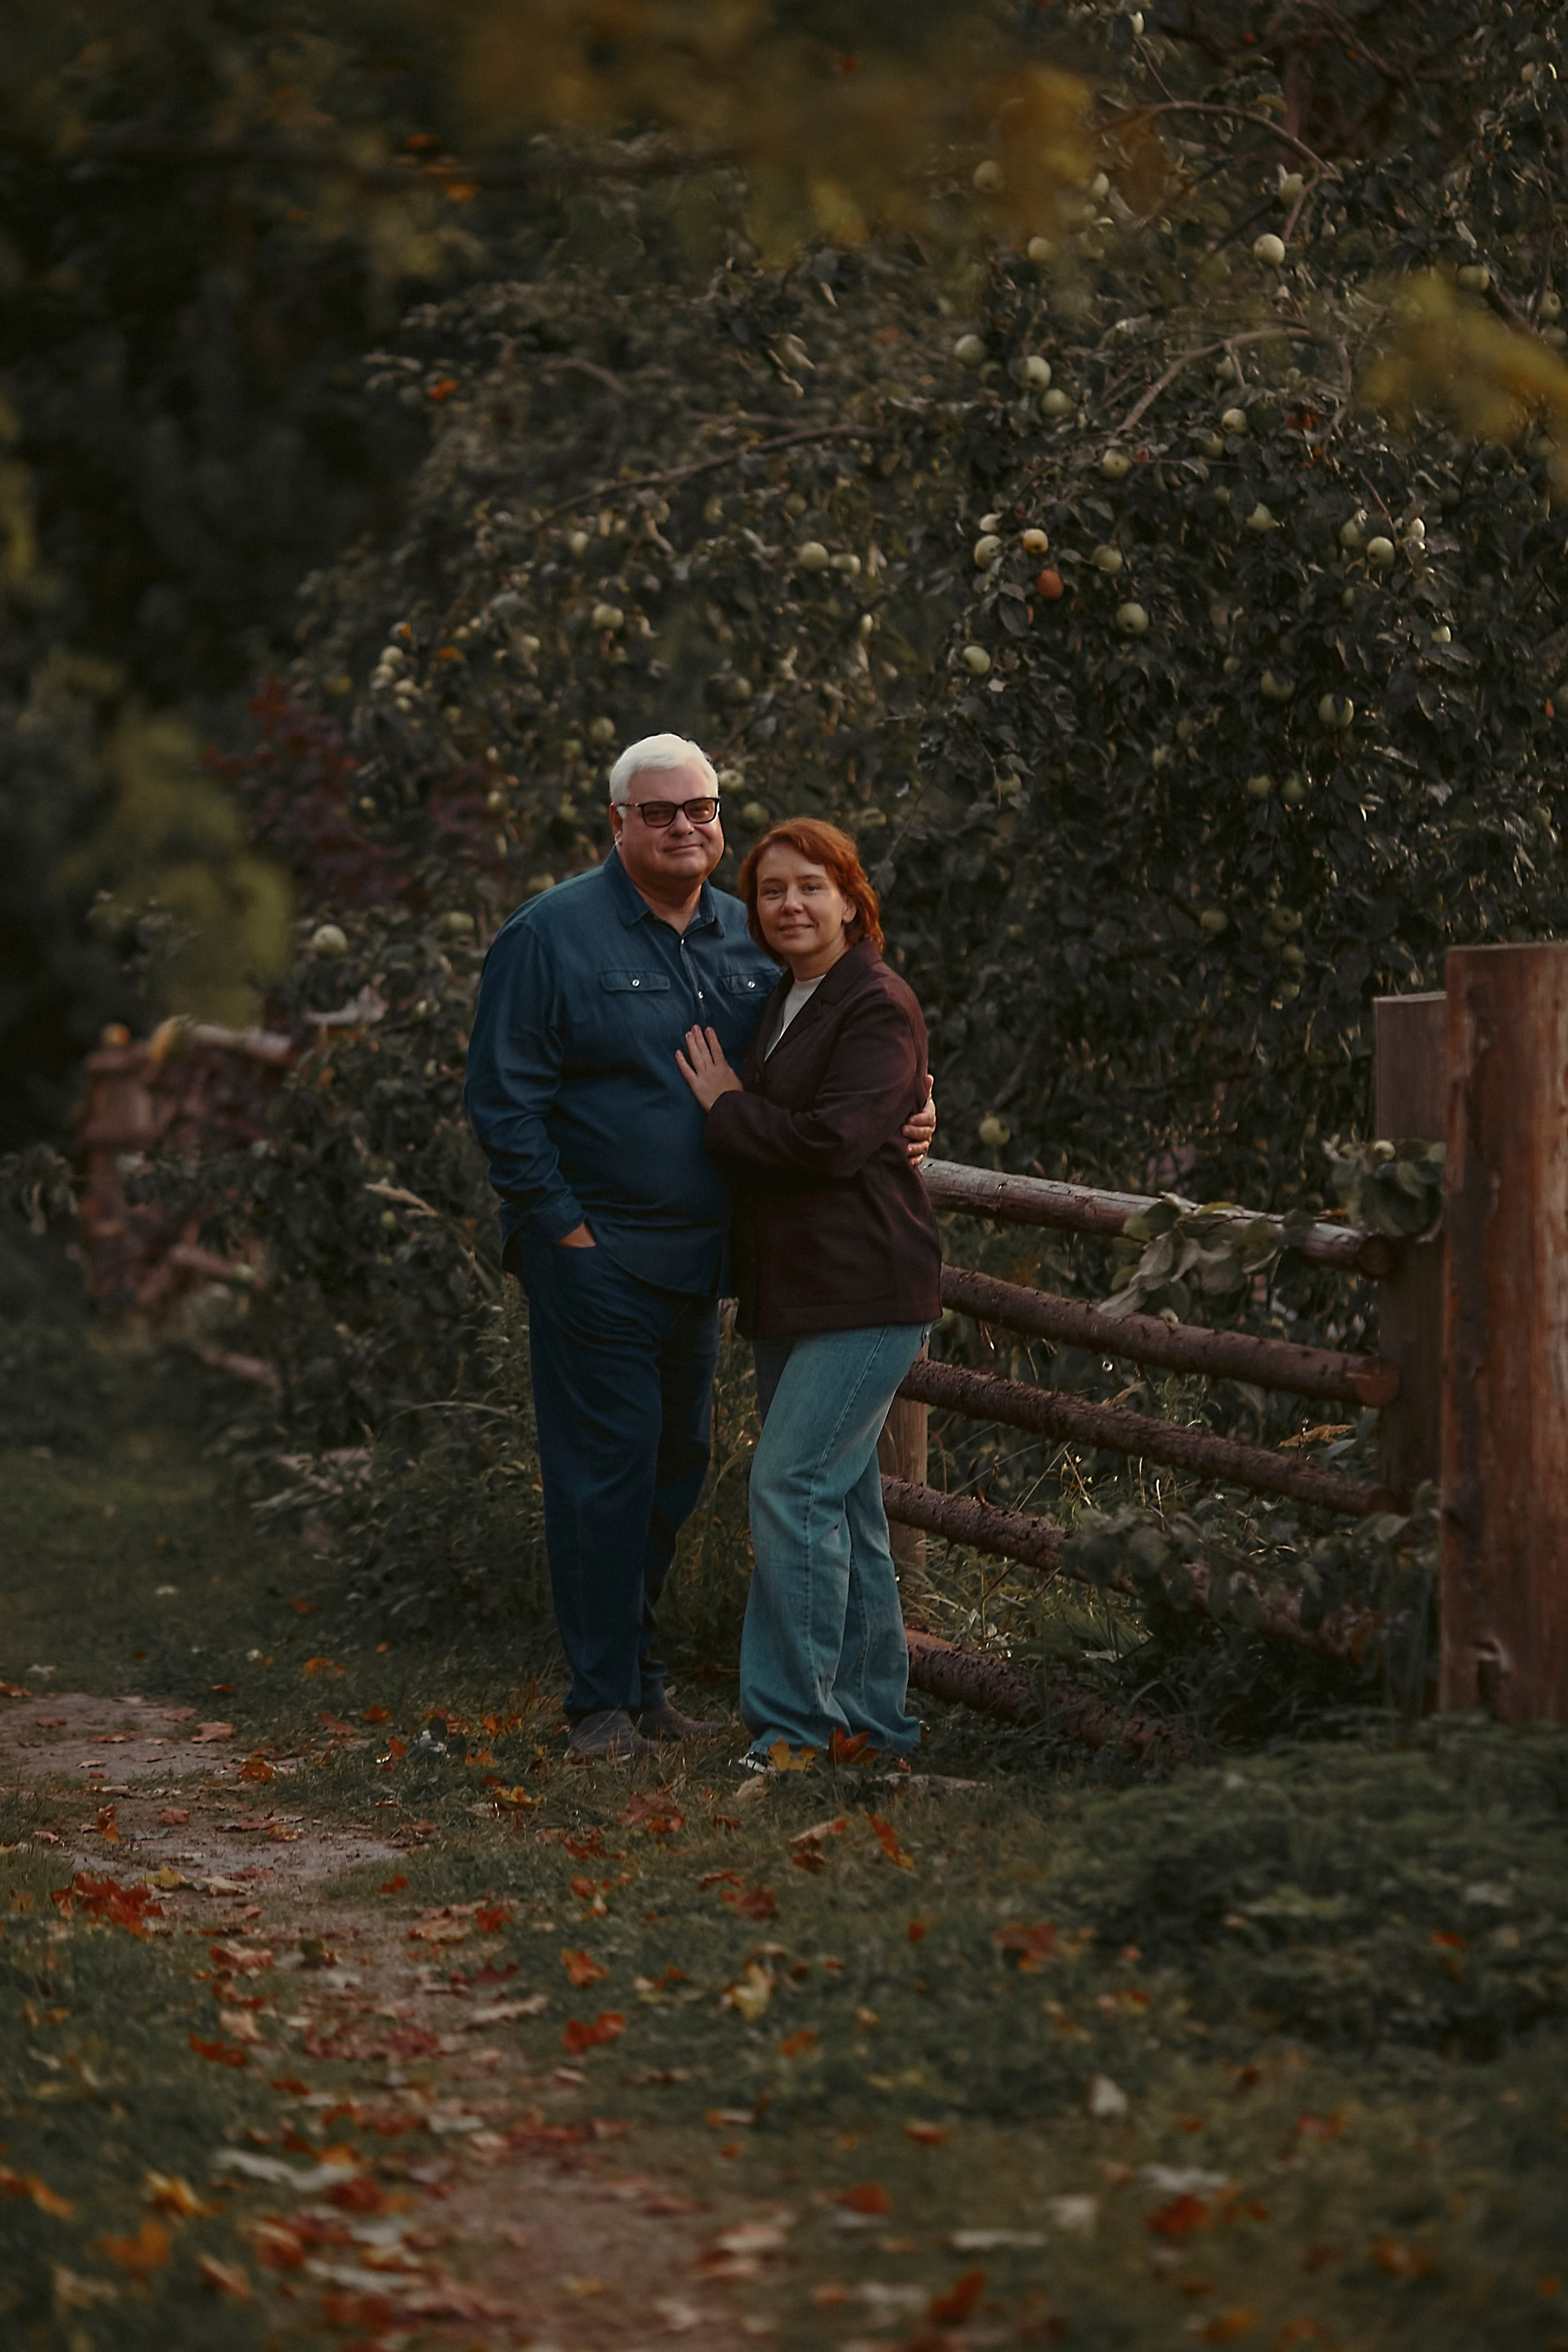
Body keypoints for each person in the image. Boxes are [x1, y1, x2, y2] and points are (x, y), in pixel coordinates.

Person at [464, 736, 935, 1763]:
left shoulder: (748, 936)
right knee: (604, 1477)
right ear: (619, 825)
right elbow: (504, 1101)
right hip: (596, 1256)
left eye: (704, 810)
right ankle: (600, 1704)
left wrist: (915, 1106)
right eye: (664, 811)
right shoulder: (552, 935)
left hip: (709, 1268)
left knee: (674, 1471)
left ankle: (645, 1683)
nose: (687, 827)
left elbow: (834, 1050)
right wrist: (565, 1229)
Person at [675, 818, 942, 1770]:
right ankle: (873, 1732)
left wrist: (728, 1109)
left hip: (866, 1288)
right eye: (772, 890)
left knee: (789, 1490)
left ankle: (791, 1736)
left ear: (849, 897)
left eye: (810, 887)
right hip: (797, 1290)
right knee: (848, 1510)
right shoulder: (789, 998)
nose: (790, 905)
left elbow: (832, 1144)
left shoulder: (875, 1001)